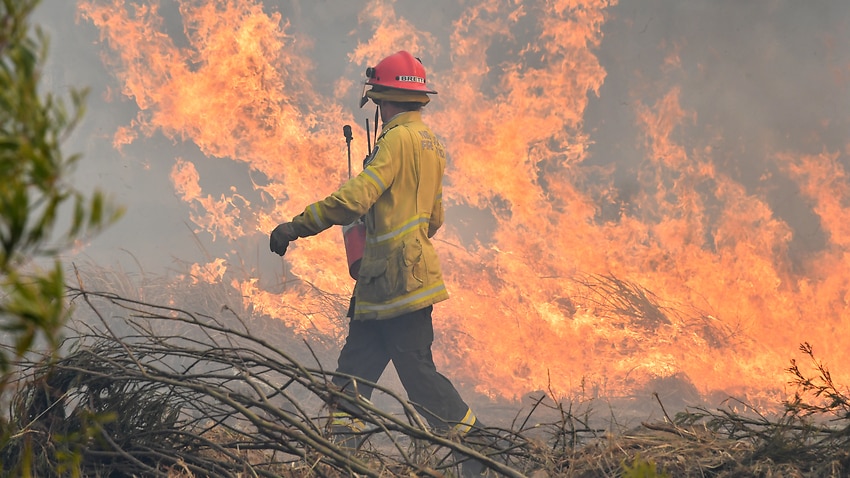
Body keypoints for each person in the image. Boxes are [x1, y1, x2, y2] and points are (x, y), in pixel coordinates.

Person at [269, 50, 487, 475]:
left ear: (385, 100)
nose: (379, 112)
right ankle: (339, 460)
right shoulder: (431, 144)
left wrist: (295, 226)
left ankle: (480, 451)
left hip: (393, 285)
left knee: (419, 378)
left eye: (378, 103)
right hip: (393, 283)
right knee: (352, 373)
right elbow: (434, 218)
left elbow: (356, 197)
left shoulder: (395, 141)